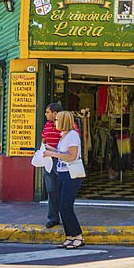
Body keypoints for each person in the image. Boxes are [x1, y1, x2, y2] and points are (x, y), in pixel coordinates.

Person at [43, 111, 85, 249]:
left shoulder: (72, 136)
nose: (54, 122)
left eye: (56, 120)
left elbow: (71, 156)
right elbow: (62, 153)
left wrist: (51, 153)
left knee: (66, 207)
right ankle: (69, 236)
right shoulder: (64, 136)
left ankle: (78, 236)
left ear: (63, 121)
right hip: (62, 174)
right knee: (62, 207)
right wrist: (49, 148)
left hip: (70, 176)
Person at [41, 103, 65, 229]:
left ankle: (66, 216)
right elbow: (44, 138)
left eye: (47, 112)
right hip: (49, 161)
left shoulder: (67, 126)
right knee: (51, 190)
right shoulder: (47, 125)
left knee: (63, 191)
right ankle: (53, 217)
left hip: (61, 161)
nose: (45, 114)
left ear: (55, 113)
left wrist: (52, 149)